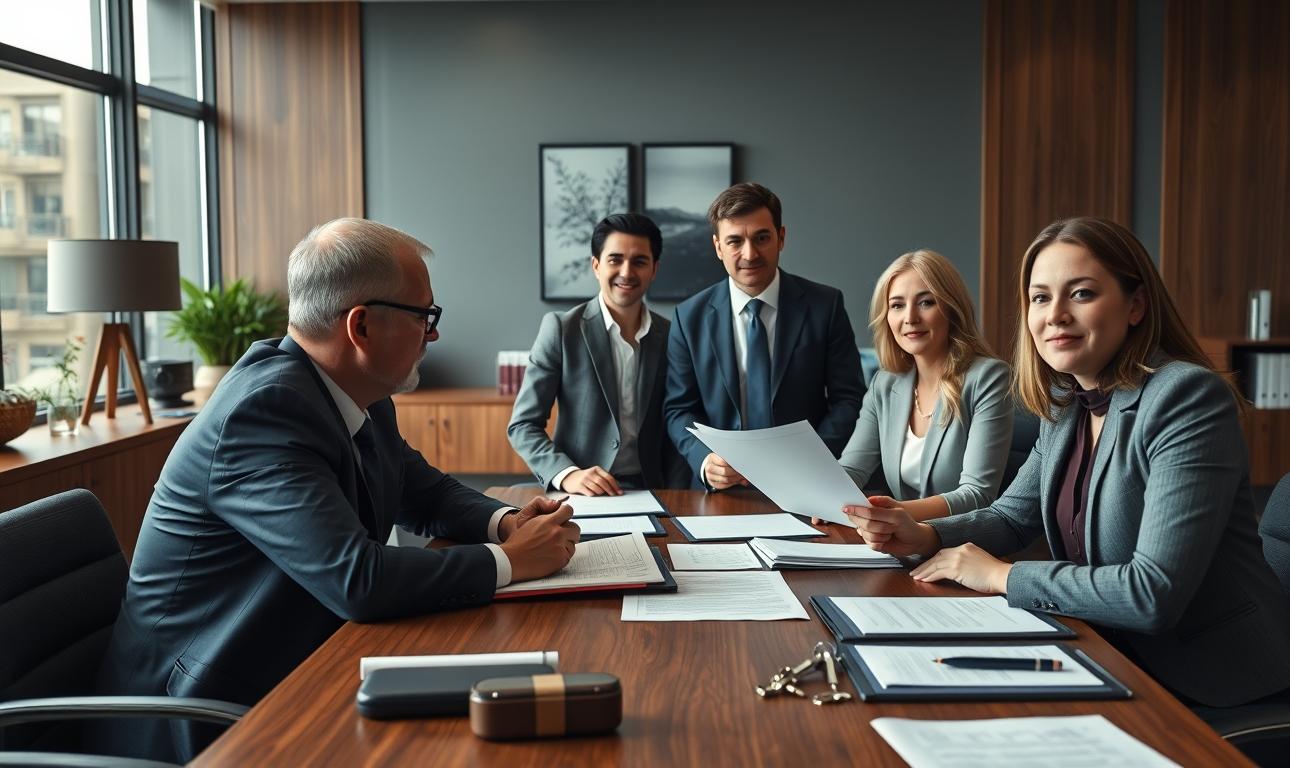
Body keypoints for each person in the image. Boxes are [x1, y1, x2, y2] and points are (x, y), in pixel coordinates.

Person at [97, 218, 580, 762]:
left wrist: (504, 523)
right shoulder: (264, 411)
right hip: (205, 710)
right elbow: (358, 578)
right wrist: (511, 561)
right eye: (426, 316)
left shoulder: (359, 393)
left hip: (304, 662)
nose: (434, 333)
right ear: (362, 327)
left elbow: (424, 493)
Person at [846, 216, 1290, 712]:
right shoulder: (1069, 402)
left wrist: (1003, 577)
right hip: (1113, 658)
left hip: (1219, 691)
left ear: (1135, 306)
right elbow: (1010, 517)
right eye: (1040, 297)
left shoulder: (1185, 398)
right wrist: (927, 536)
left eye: (1082, 294)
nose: (1055, 315)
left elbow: (1151, 592)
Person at [664, 182, 865, 489]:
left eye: (761, 238)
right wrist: (705, 460)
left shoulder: (826, 306)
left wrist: (813, 461)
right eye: (735, 241)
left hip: (808, 482)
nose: (750, 253)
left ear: (780, 238)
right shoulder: (688, 317)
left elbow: (848, 399)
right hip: (721, 490)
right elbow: (678, 409)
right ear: (718, 247)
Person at [509, 213, 688, 493]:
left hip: (654, 489)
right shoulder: (561, 329)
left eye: (639, 262)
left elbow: (677, 425)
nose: (627, 272)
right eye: (615, 260)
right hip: (581, 490)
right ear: (596, 266)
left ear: (654, 269)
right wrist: (567, 475)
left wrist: (679, 496)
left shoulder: (672, 335)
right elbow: (523, 425)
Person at [836, 249, 1013, 520]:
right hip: (901, 543)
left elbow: (978, 494)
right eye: (896, 305)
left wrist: (897, 513)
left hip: (963, 544)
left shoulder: (988, 378)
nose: (910, 317)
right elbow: (851, 470)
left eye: (926, 302)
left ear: (952, 309)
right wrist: (825, 495)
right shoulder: (885, 384)